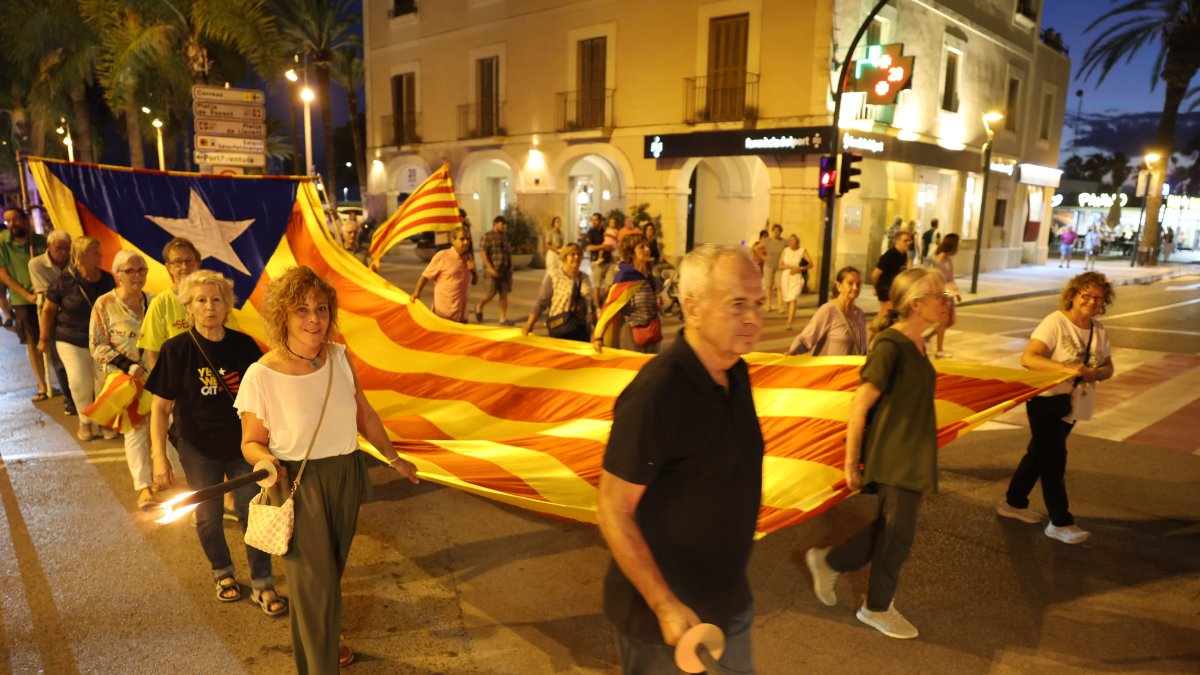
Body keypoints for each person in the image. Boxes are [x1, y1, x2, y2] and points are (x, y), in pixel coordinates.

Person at [236, 266, 419, 672]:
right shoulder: (261, 375)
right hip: (300, 486)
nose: (314, 319)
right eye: (301, 309)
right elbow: (251, 441)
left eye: (321, 308)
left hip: (347, 476)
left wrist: (394, 459)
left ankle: (322, 646)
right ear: (282, 314)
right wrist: (264, 461)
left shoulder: (338, 355)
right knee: (314, 588)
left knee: (326, 580)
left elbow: (364, 414)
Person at [597, 244, 765, 674]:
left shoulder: (736, 372)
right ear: (692, 306)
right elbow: (614, 510)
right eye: (737, 305)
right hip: (666, 626)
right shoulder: (658, 393)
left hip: (730, 606)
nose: (753, 318)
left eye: (758, 304)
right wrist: (664, 604)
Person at [805, 268, 950, 640]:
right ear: (916, 303)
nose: (943, 300)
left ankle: (829, 561)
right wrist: (851, 462)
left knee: (891, 529)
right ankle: (877, 607)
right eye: (936, 295)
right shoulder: (891, 345)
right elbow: (860, 405)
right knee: (898, 536)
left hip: (913, 453)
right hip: (895, 455)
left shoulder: (918, 343)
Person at [146, 270, 287, 617]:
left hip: (243, 445)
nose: (209, 307)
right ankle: (222, 573)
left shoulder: (244, 346)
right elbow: (160, 408)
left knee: (251, 514)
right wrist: (159, 457)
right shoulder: (176, 350)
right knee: (207, 517)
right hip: (197, 448)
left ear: (227, 306)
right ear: (188, 308)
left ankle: (263, 583)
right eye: (201, 301)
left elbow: (267, 399)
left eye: (216, 300)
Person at [996, 272, 1115, 545]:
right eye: (1086, 295)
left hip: (1074, 404)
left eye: (1098, 297)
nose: (1092, 301)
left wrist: (1097, 373)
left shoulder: (1098, 330)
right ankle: (1060, 521)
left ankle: (1013, 502)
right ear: (1073, 295)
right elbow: (1029, 358)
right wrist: (1066, 368)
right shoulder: (1055, 322)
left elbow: (1109, 367)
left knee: (1039, 454)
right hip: (1046, 401)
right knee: (1054, 460)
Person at [91, 250, 169, 509]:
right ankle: (143, 488)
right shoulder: (104, 304)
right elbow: (97, 346)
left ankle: (162, 474)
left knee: (163, 425)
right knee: (135, 431)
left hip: (155, 376)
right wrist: (129, 366)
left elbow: (165, 338)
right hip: (123, 380)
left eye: (142, 270)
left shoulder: (155, 301)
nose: (137, 276)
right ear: (117, 274)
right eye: (130, 271)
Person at [40, 236, 115, 441]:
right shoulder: (63, 281)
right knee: (79, 382)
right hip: (70, 339)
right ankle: (85, 421)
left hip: (100, 341)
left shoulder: (107, 279)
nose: (100, 256)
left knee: (103, 383)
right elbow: (48, 312)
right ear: (82, 256)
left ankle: (104, 422)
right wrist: (43, 338)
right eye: (95, 253)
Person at [0, 206, 50, 400]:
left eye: (16, 220)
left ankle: (62, 382)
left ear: (25, 219)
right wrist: (26, 295)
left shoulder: (41, 242)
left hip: (46, 297)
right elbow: (4, 274)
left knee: (50, 339)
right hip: (22, 301)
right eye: (8, 221)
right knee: (32, 342)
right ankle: (42, 385)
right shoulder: (4, 246)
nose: (12, 224)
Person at [29, 229, 75, 414]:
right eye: (59, 248)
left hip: (74, 314)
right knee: (59, 361)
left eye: (67, 248)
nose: (64, 252)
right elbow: (48, 293)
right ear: (49, 247)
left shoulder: (75, 262)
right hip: (52, 317)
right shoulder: (36, 264)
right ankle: (69, 400)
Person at [596, 234, 663, 354]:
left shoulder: (650, 278)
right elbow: (609, 309)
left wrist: (659, 305)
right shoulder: (625, 278)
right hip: (631, 336)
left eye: (647, 246)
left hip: (653, 333)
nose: (647, 249)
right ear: (631, 254)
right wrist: (598, 337)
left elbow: (656, 305)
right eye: (641, 247)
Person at [522, 243, 595, 342]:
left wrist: (597, 330)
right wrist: (529, 324)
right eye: (572, 254)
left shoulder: (584, 278)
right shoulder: (554, 275)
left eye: (579, 254)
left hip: (581, 327)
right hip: (560, 326)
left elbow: (591, 303)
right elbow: (542, 302)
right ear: (565, 257)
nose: (576, 257)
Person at [787, 266, 866, 356]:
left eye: (858, 284)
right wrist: (792, 353)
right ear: (839, 286)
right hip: (832, 369)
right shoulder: (828, 311)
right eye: (850, 283)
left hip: (854, 369)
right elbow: (805, 339)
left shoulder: (860, 314)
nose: (855, 288)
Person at [413, 226, 471, 323]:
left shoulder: (468, 257)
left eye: (468, 239)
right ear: (453, 240)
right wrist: (417, 292)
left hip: (462, 315)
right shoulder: (442, 256)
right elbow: (425, 275)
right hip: (443, 314)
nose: (466, 242)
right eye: (462, 239)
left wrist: (473, 271)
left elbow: (473, 281)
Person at [474, 215, 513, 325]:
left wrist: (510, 268)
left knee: (504, 294)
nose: (504, 226)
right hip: (492, 270)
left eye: (505, 224)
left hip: (505, 271)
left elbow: (508, 253)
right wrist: (489, 268)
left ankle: (502, 318)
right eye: (502, 224)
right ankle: (479, 306)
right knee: (490, 294)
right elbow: (483, 252)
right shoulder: (487, 236)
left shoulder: (505, 238)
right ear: (495, 224)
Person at [929, 234, 962, 358]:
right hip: (942, 293)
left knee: (951, 320)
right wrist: (945, 295)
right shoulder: (939, 261)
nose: (958, 248)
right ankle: (939, 350)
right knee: (942, 321)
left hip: (949, 292)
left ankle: (928, 336)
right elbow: (937, 281)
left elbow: (951, 278)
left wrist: (956, 293)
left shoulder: (948, 260)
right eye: (957, 245)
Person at [779, 234, 814, 331]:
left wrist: (800, 268)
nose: (791, 243)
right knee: (788, 299)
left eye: (793, 241)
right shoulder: (785, 251)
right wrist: (789, 267)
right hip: (786, 277)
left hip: (796, 277)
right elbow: (780, 265)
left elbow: (811, 264)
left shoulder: (802, 250)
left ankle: (789, 322)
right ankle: (790, 316)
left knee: (793, 298)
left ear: (797, 242)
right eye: (790, 241)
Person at [872, 229, 911, 315]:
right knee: (885, 314)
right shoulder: (889, 255)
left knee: (890, 315)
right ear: (897, 241)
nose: (908, 243)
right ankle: (876, 328)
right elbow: (875, 274)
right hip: (885, 288)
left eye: (909, 240)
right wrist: (875, 287)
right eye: (905, 240)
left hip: (894, 288)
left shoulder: (904, 254)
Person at [762, 223, 787, 312]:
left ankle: (781, 306)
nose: (776, 232)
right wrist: (763, 257)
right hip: (768, 266)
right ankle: (768, 305)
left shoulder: (784, 242)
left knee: (779, 286)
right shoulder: (767, 241)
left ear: (781, 232)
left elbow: (788, 251)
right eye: (775, 231)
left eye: (778, 231)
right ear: (772, 231)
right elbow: (757, 248)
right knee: (768, 286)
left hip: (779, 267)